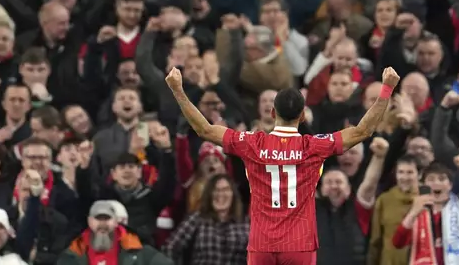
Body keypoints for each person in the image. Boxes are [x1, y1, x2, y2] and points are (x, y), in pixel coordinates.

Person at [165, 66, 401, 264]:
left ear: (271, 111)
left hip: (261, 244)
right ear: (302, 117)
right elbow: (363, 130)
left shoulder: (252, 143)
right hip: (300, 245)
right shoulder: (314, 146)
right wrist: (387, 88)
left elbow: (204, 129)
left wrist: (178, 90)